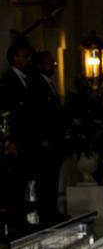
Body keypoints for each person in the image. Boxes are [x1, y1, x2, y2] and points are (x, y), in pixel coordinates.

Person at [0, 38, 37, 233]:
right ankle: (15, 220)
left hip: (25, 138)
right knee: (14, 181)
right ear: (14, 58)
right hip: (15, 139)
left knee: (21, 179)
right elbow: (7, 112)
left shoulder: (25, 79)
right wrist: (10, 141)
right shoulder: (8, 80)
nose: (27, 60)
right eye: (23, 56)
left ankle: (20, 218)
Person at [31, 51, 68, 223]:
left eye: (53, 64)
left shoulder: (49, 84)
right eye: (48, 63)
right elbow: (38, 114)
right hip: (46, 141)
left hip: (55, 139)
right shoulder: (38, 85)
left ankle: (52, 210)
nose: (52, 66)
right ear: (39, 66)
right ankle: (46, 212)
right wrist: (43, 137)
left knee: (52, 176)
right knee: (45, 177)